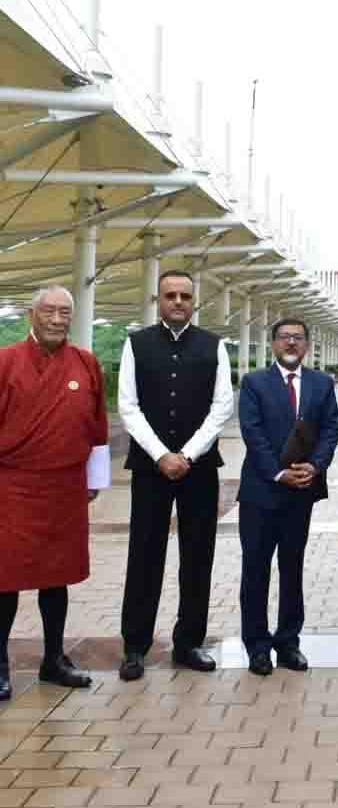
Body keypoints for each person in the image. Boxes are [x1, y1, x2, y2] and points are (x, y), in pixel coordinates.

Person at [118, 270, 234, 680]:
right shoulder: (136, 343)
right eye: (171, 295)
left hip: (198, 469)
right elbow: (128, 405)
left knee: (198, 555)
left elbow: (222, 406)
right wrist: (161, 455)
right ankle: (135, 646)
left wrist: (186, 454)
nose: (179, 301)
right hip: (150, 470)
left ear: (194, 300)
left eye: (185, 295)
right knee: (143, 555)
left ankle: (189, 642)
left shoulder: (214, 345)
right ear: (159, 300)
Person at [0, 286, 109, 701]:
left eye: (65, 312)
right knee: (5, 578)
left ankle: (53, 659)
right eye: (49, 311)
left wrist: (95, 479)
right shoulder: (6, 361)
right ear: (32, 314)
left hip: (64, 487)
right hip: (12, 486)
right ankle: (0, 664)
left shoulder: (85, 362)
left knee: (57, 576)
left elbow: (97, 425)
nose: (58, 319)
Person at [237, 318, 338, 676]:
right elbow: (251, 432)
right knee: (255, 569)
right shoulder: (254, 383)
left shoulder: (321, 384)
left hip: (301, 492)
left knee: (292, 568)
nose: (291, 343)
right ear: (273, 344)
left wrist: (315, 465)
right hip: (261, 493)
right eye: (284, 337)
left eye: (298, 338)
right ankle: (257, 646)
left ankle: (288, 643)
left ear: (307, 345)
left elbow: (331, 428)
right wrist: (278, 473)